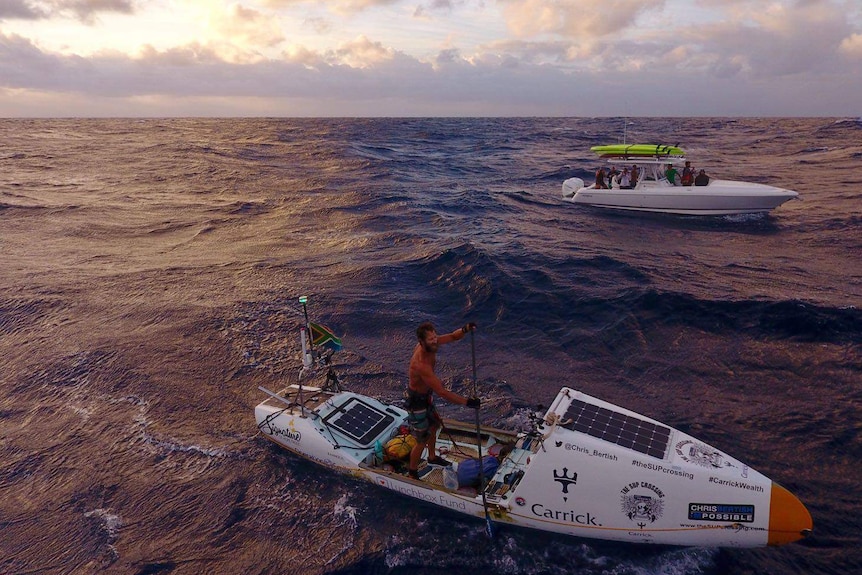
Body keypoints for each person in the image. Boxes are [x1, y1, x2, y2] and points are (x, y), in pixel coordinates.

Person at [406, 321, 480, 480]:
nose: (435, 341)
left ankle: (432, 457)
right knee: (421, 440)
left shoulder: (432, 343)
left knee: (434, 426)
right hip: (416, 403)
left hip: (426, 397)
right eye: (431, 339)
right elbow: (442, 392)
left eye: (435, 337)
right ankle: (412, 472)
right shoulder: (421, 364)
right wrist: (467, 402)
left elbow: (453, 336)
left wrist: (465, 329)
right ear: (421, 342)